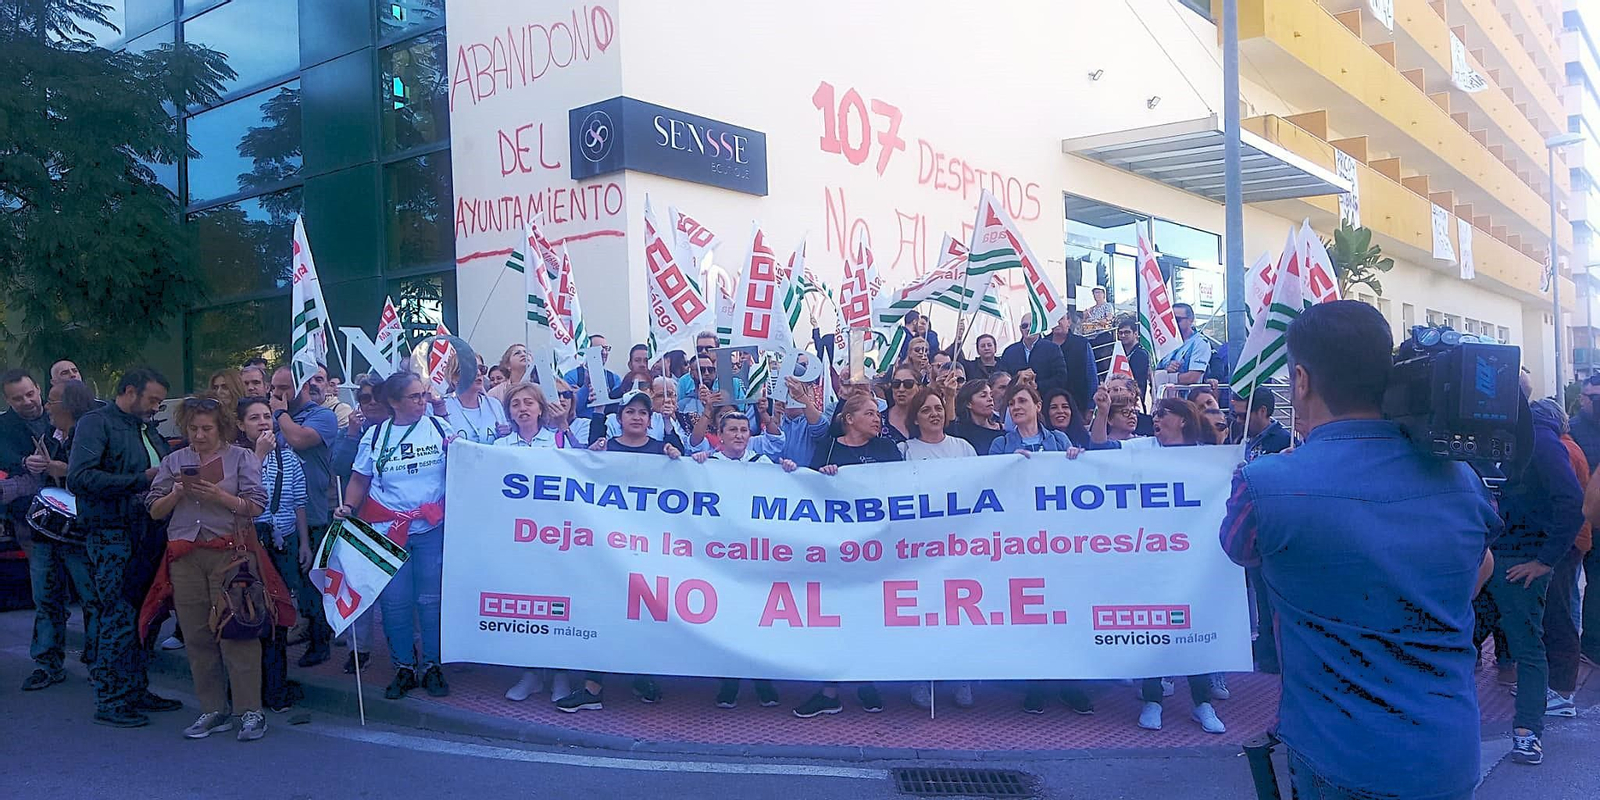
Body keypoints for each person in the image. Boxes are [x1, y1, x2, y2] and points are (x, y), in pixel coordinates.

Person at [1220, 301, 1500, 796]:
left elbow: (1239, 549)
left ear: (1301, 381)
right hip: (1449, 754)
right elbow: (1482, 568)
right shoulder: (1463, 480)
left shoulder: (1265, 485)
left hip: (1339, 758)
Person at [144, 397, 285, 742]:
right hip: (186, 555)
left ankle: (250, 710)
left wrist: (220, 497)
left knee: (239, 630)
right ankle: (213, 708)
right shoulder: (175, 460)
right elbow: (154, 510)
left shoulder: (241, 457)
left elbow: (256, 505)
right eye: (193, 428)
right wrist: (177, 493)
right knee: (196, 634)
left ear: (221, 426)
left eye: (206, 428)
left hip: (230, 554)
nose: (199, 435)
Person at [67, 368, 183, 728]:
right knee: (117, 615)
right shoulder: (96, 423)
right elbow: (80, 478)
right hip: (112, 534)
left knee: (146, 614)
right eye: (151, 400)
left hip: (148, 532)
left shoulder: (146, 427)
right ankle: (111, 697)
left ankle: (136, 688)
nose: (155, 408)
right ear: (129, 392)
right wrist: (141, 480)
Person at [338, 371, 453, 701]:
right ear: (394, 402)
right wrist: (348, 505)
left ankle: (432, 665)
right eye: (415, 397)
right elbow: (360, 478)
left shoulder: (440, 428)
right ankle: (404, 667)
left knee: (430, 602)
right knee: (395, 604)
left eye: (423, 395)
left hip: (431, 528)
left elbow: (466, 464)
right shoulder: (375, 436)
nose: (423, 401)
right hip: (388, 531)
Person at [1489, 387, 1584, 766]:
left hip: (1517, 559)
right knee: (1458, 644)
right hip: (1489, 554)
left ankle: (1528, 732)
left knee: (1528, 647)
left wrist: (1545, 560)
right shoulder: (1496, 437)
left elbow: (1572, 502)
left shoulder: (1541, 441)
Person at [793, 394, 901, 717]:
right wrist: (822, 478)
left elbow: (905, 489)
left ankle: (866, 682)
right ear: (848, 419)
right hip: (836, 553)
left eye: (878, 413)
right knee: (835, 620)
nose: (877, 418)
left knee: (869, 617)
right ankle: (830, 691)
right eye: (869, 413)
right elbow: (808, 492)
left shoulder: (887, 450)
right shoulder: (828, 448)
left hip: (877, 551)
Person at [497, 384, 581, 703]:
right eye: (516, 404)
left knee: (557, 608)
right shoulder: (500, 445)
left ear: (540, 407)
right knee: (525, 607)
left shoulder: (557, 439)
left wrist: (565, 428)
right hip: (518, 539)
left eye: (528, 402)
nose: (522, 408)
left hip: (556, 536)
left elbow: (584, 463)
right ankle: (530, 674)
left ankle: (559, 674)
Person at [19, 380, 100, 692]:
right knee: (46, 598)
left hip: (80, 531)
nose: (47, 408)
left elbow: (99, 472)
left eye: (52, 402)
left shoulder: (91, 434)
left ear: (69, 405)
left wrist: (64, 469)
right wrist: (34, 464)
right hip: (46, 532)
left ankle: (97, 662)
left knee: (92, 599)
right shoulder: (48, 436)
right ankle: (46, 663)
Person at [239, 396, 313, 708]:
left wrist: (305, 543)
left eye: (266, 416)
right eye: (254, 418)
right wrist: (258, 455)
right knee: (250, 617)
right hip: (249, 544)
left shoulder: (289, 458)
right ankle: (250, 688)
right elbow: (239, 494)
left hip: (282, 543)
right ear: (242, 425)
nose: (262, 423)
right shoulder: (238, 458)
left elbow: (299, 501)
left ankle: (276, 685)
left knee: (279, 616)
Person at [267, 366, 340, 668]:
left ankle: (320, 640)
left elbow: (298, 440)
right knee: (288, 581)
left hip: (311, 511)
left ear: (302, 388)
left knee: (313, 581)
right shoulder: (270, 417)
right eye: (274, 388)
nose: (276, 395)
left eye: (284, 388)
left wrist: (280, 414)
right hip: (279, 515)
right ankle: (301, 628)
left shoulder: (322, 416)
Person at [1531, 398, 1588, 718]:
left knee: (1560, 613)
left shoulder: (1561, 449)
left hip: (1564, 543)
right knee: (1561, 610)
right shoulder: (1568, 445)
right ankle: (1557, 686)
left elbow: (1569, 500)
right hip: (1569, 541)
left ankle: (1563, 690)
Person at [989, 384, 1074, 456]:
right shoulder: (1000, 445)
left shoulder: (1060, 439)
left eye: (1022, 401)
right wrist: (1010, 460)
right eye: (1011, 404)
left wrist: (1076, 456)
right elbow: (994, 474)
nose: (1016, 407)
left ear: (1038, 406)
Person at [997, 315, 1068, 401]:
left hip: (1045, 402)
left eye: (1032, 325)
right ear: (1020, 329)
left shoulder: (1052, 349)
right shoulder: (1009, 351)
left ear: (1039, 327)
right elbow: (1002, 377)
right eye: (1024, 326)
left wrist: (1037, 385)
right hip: (1016, 402)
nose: (1028, 328)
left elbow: (1061, 377)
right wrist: (1018, 378)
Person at [442, 361, 511, 445]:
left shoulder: (494, 404)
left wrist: (506, 435)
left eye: (481, 369)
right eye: (472, 369)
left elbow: (506, 443)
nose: (478, 373)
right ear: (455, 378)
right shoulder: (443, 406)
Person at [1045, 313, 1098, 410]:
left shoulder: (1082, 344)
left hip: (1078, 405)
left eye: (1060, 318)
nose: (1057, 322)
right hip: (1049, 408)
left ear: (1068, 322)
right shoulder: (1042, 345)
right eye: (1053, 319)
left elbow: (1091, 377)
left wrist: (1091, 407)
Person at [565, 334, 623, 418]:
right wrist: (585, 387)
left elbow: (617, 408)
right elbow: (570, 409)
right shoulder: (572, 376)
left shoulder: (614, 379)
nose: (604, 353)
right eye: (599, 349)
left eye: (606, 349)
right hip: (580, 427)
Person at [948, 380, 1004, 456]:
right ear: (968, 404)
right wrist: (949, 396)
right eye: (983, 396)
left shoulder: (1002, 429)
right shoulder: (960, 431)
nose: (990, 399)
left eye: (991, 395)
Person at [1232, 390, 1291, 460]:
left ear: (1262, 411)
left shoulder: (1285, 442)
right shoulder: (1240, 436)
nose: (1238, 420)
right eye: (1235, 415)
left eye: (1243, 416)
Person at [1160, 303, 1210, 384]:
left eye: (1177, 319)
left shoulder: (1200, 342)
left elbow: (1192, 378)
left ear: (1191, 319)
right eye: (1170, 319)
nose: (1174, 323)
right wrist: (1166, 369)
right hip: (1166, 394)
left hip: (1189, 395)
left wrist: (1164, 377)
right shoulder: (1165, 340)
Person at [880, 365, 921, 444]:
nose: (901, 389)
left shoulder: (927, 419)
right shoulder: (878, 420)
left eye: (908, 384)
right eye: (896, 384)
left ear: (920, 387)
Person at [1115, 318, 1151, 399]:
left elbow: (1137, 379)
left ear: (1135, 334)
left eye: (1127, 332)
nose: (1123, 335)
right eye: (1120, 333)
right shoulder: (1120, 352)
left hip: (1135, 398)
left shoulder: (1140, 353)